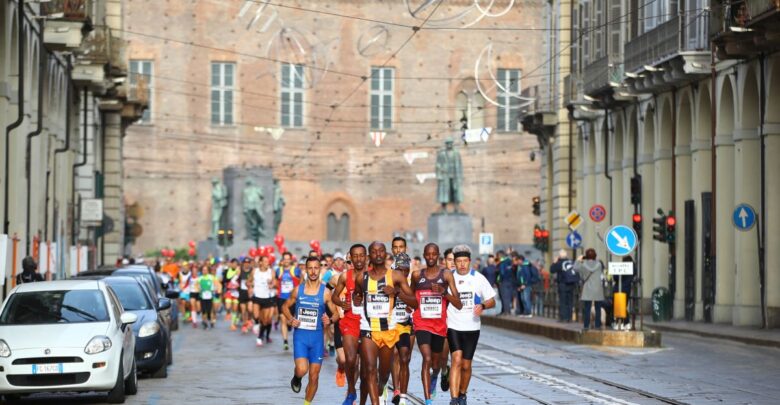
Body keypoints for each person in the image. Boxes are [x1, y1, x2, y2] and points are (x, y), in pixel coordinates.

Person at [353, 242, 418, 405]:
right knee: (369, 369)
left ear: (386, 253)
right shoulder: (361, 278)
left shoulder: (396, 276)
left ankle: (382, 387)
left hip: (388, 330)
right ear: (370, 255)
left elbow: (415, 303)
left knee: (383, 374)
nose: (378, 254)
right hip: (368, 329)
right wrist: (356, 299)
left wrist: (397, 292)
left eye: (381, 251)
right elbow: (357, 295)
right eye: (374, 252)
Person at [282, 256, 340, 405]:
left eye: (316, 268)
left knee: (314, 377)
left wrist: (330, 320)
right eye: (310, 268)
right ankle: (297, 377)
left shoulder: (326, 292)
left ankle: (306, 403)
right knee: (302, 370)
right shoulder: (298, 290)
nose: (313, 271)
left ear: (320, 270)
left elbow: (336, 313)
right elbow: (284, 307)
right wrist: (290, 319)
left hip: (317, 339)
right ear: (306, 270)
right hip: (301, 337)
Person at [412, 243, 462, 405]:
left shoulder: (446, 274)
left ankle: (435, 375)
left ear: (438, 255)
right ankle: (428, 400)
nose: (431, 257)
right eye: (428, 254)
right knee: (426, 358)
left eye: (434, 254)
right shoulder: (417, 275)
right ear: (424, 255)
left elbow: (459, 304)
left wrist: (444, 292)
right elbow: (410, 297)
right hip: (421, 323)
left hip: (439, 326)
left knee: (436, 363)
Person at [447, 245, 496, 405]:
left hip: (472, 327)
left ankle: (462, 393)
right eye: (458, 261)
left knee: (466, 365)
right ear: (454, 262)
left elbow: (492, 301)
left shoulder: (478, 278)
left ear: (469, 261)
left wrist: (482, 305)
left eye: (465, 261)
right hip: (453, 324)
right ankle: (454, 399)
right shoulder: (448, 277)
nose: (462, 264)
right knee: (456, 359)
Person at [331, 245, 368, 405]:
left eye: (361, 255)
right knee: (350, 360)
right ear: (351, 258)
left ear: (366, 257)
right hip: (350, 322)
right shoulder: (345, 276)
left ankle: (362, 399)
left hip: (368, 323)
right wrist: (341, 303)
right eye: (355, 256)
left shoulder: (373, 275)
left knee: (366, 369)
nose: (358, 259)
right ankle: (351, 390)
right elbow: (334, 296)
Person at [391, 253, 414, 405]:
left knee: (405, 357)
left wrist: (411, 305)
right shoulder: (390, 279)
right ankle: (396, 390)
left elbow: (416, 301)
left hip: (407, 323)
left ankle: (402, 391)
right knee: (394, 355)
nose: (403, 272)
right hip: (391, 325)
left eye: (406, 269)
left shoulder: (412, 282)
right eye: (401, 269)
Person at [574, 248, 605, 330]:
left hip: (588, 288)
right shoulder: (599, 264)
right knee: (598, 308)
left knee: (587, 308)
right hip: (598, 288)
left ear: (586, 256)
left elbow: (575, 268)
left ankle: (586, 326)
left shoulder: (583, 265)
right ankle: (597, 325)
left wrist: (578, 260)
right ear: (595, 256)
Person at [277, 251, 302, 350]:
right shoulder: (278, 270)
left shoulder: (296, 270)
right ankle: (285, 341)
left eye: (288, 259)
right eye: (285, 259)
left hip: (293, 299)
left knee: (291, 320)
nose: (286, 261)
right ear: (282, 260)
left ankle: (291, 329)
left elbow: (301, 282)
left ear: (291, 260)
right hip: (282, 298)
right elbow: (276, 282)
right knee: (283, 318)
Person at [250, 255, 277, 346]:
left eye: (268, 261)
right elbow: (249, 281)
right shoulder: (255, 271)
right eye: (265, 261)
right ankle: (256, 324)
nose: (267, 263)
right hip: (257, 296)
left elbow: (274, 282)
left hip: (267, 297)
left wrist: (271, 284)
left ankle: (260, 337)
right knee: (256, 315)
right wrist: (249, 286)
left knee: (266, 320)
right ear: (260, 262)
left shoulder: (271, 271)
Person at [550, 250, 577, 322]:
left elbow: (552, 270)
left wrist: (554, 262)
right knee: (570, 301)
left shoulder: (559, 263)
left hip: (563, 283)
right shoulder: (571, 262)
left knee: (563, 301)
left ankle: (563, 317)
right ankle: (569, 317)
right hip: (571, 283)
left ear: (559, 256)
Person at [612, 255, 635, 330]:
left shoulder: (622, 267)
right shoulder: (633, 268)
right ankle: (625, 323)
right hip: (627, 289)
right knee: (623, 306)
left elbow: (615, 277)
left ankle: (622, 323)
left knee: (618, 306)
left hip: (618, 289)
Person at [198, 264, 219, 329]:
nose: (204, 271)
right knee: (204, 310)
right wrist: (199, 289)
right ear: (201, 271)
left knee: (210, 309)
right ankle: (205, 322)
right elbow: (197, 286)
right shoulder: (200, 278)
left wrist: (214, 289)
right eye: (203, 270)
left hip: (210, 296)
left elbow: (216, 285)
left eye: (206, 270)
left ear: (208, 271)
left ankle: (211, 321)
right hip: (202, 296)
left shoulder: (211, 277)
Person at [496, 250, 516, 316]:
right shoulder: (510, 262)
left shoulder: (502, 263)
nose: (497, 257)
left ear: (500, 256)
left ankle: (505, 311)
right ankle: (507, 311)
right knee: (508, 297)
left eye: (498, 256)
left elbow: (502, 273)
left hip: (503, 282)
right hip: (510, 281)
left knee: (504, 297)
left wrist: (500, 280)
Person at [223, 259, 241, 330]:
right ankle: (228, 313)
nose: (234, 265)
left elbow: (240, 281)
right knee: (228, 306)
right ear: (231, 264)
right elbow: (225, 280)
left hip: (236, 292)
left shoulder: (239, 271)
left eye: (236, 264)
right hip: (229, 291)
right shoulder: (226, 271)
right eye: (233, 264)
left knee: (235, 309)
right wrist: (234, 276)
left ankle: (232, 324)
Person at [238, 258, 254, 334]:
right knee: (243, 310)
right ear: (243, 263)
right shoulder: (240, 271)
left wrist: (251, 285)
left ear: (250, 264)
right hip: (242, 293)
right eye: (245, 263)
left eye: (248, 263)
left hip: (250, 293)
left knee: (250, 309)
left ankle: (249, 320)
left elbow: (255, 281)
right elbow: (234, 279)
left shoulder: (252, 271)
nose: (246, 264)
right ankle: (244, 325)